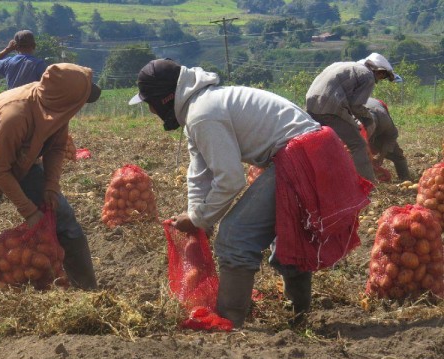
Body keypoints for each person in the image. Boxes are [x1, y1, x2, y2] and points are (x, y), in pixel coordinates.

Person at [129, 59, 371, 327]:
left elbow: (230, 179)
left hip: (305, 155)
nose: (150, 110)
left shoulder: (203, 114)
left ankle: (230, 321)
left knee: (235, 234)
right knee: (287, 234)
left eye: (150, 102)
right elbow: (200, 171)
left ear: (166, 98)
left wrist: (199, 219)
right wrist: (198, 216)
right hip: (310, 152)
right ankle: (297, 317)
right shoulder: (199, 110)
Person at [0, 63, 102, 298]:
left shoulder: (56, 107)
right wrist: (30, 212)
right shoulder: (16, 113)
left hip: (25, 159)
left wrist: (51, 185)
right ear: (67, 98)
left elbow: (56, 147)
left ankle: (89, 293)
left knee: (64, 220)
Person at [305, 52, 400, 183]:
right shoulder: (367, 76)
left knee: (325, 144)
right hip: (330, 108)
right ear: (381, 72)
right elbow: (356, 105)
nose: (380, 79)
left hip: (311, 105)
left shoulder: (342, 65)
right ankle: (368, 183)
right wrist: (367, 118)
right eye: (382, 77)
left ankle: (326, 179)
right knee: (358, 145)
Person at [363, 98, 411, 181]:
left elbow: (392, 136)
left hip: (378, 118)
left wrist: (381, 156)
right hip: (359, 129)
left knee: (397, 155)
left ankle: (405, 178)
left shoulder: (384, 120)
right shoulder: (352, 117)